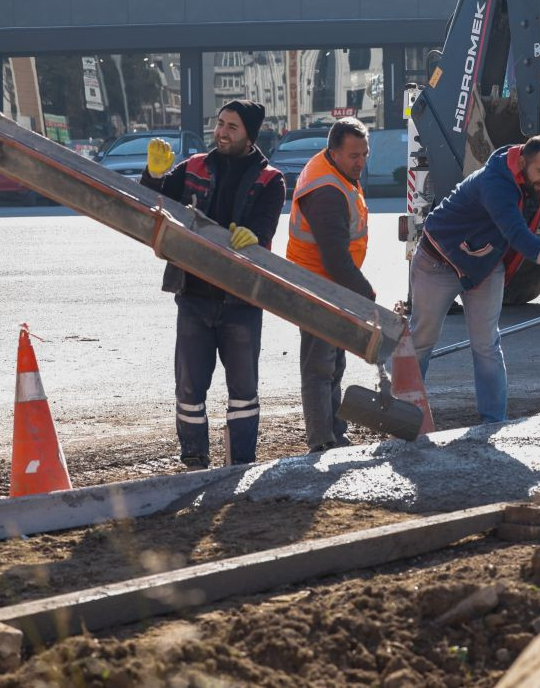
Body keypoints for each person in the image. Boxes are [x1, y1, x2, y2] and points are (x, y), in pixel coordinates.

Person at [140, 100, 286, 469]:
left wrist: (251, 236)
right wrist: (154, 176)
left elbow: (265, 229)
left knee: (243, 391)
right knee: (189, 389)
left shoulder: (271, 180)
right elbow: (150, 207)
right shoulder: (192, 168)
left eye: (232, 127)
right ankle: (193, 459)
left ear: (249, 136)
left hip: (241, 300)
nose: (222, 132)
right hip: (194, 296)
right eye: (220, 123)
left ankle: (240, 463)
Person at [410, 135, 540, 423]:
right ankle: (403, 411)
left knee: (486, 344)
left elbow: (518, 233)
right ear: (522, 161)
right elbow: (516, 234)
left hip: (484, 263)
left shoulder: (531, 182)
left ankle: (493, 422)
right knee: (422, 339)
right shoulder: (495, 182)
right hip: (438, 260)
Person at [284, 117, 376, 452]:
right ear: (333, 152)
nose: (361, 162)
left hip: (327, 284)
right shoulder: (326, 192)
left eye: (364, 154)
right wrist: (367, 296)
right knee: (320, 366)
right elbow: (336, 259)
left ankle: (334, 430)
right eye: (354, 156)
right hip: (317, 286)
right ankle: (321, 440)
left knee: (333, 362)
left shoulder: (334, 171)